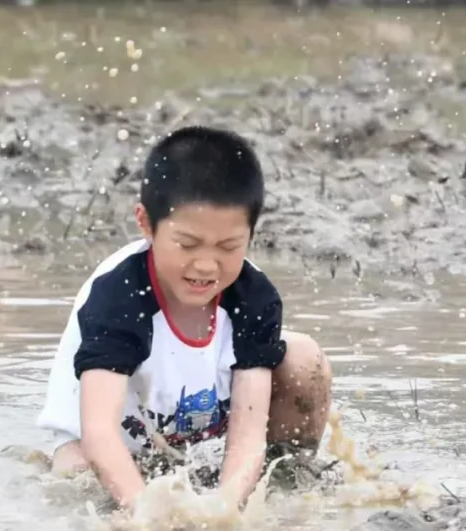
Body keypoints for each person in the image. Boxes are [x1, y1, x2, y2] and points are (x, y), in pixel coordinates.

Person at [36, 126, 332, 511]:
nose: (206, 265)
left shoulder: (254, 296)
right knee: (75, 487)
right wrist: (147, 515)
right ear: (146, 224)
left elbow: (247, 435)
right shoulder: (119, 296)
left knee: (304, 359)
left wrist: (226, 509)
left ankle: (289, 476)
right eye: (187, 244)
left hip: (192, 438)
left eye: (228, 247)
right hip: (103, 444)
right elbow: (98, 433)